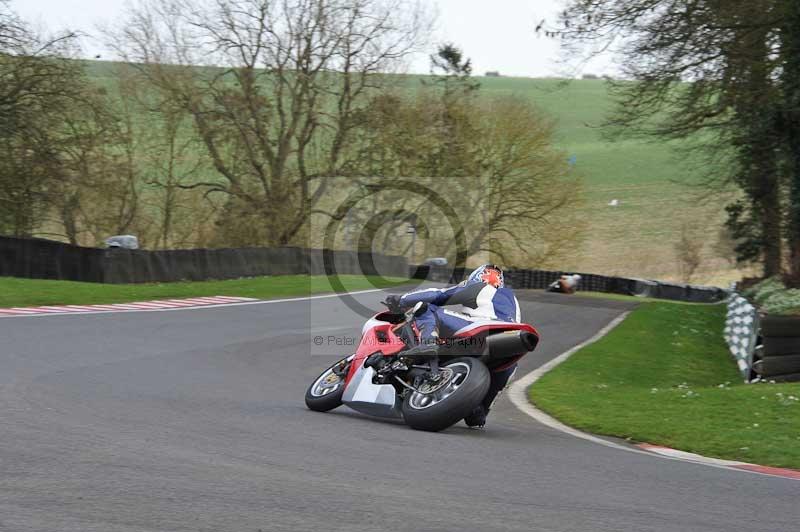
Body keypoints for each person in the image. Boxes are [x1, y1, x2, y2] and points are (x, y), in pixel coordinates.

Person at [384, 264, 521, 428]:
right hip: (510, 343)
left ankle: (428, 344)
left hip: (482, 328)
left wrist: (401, 300)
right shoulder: (512, 300)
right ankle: (479, 410)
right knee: (479, 414)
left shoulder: (480, 285)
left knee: (426, 308)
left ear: (477, 276)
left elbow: (439, 295)